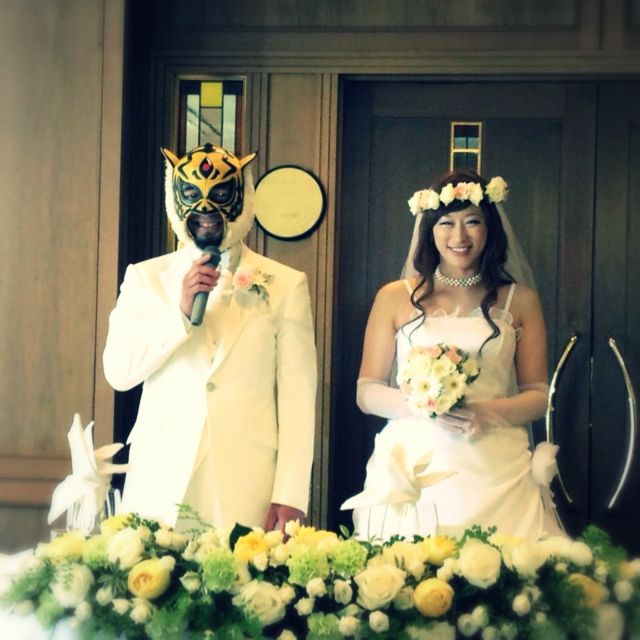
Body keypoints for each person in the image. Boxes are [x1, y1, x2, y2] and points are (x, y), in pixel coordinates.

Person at [103, 143, 317, 533]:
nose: (206, 216)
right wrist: (180, 316)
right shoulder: (146, 278)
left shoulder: (286, 284)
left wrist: (290, 493)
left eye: (219, 201)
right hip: (160, 473)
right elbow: (119, 373)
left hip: (246, 480)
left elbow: (298, 397)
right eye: (195, 206)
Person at [341, 168, 564, 541]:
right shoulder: (394, 297)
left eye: (472, 222)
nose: (459, 237)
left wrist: (483, 413)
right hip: (415, 462)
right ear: (430, 230)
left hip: (495, 463)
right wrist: (425, 405)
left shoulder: (520, 300)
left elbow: (538, 395)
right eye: (446, 223)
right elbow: (367, 390)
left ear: (490, 228)